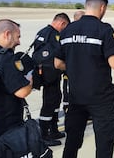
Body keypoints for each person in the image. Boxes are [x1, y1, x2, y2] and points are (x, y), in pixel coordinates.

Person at [54, 0, 114, 158]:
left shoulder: (68, 30)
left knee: (72, 142)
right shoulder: (104, 30)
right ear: (102, 7)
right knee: (104, 143)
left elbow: (57, 63)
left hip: (76, 96)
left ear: (86, 6)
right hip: (100, 98)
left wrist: (75, 68)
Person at [33, 13, 70, 146]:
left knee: (55, 100)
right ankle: (44, 135)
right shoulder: (54, 35)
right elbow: (56, 59)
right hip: (50, 74)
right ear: (62, 24)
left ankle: (53, 129)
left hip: (45, 73)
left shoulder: (42, 32)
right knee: (49, 103)